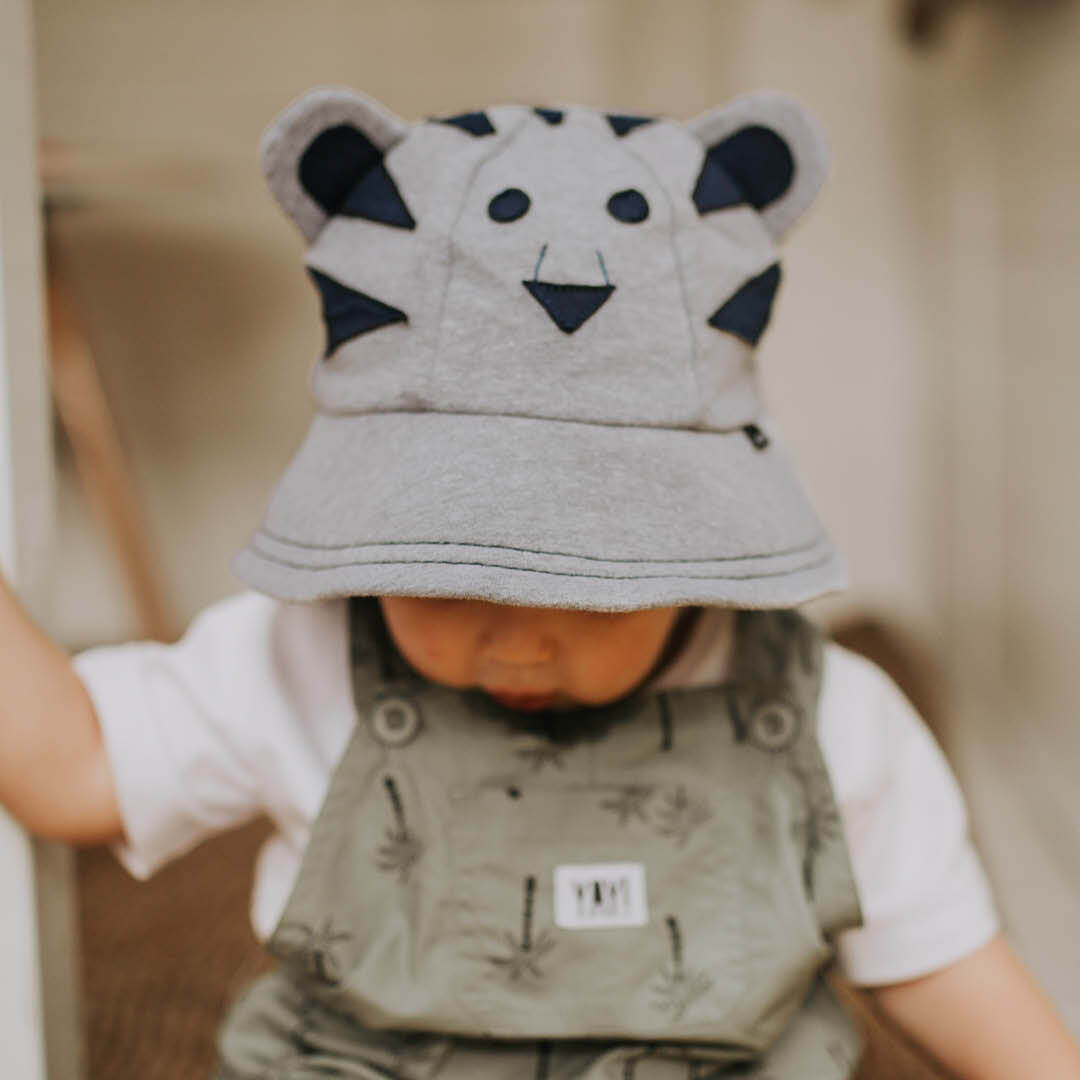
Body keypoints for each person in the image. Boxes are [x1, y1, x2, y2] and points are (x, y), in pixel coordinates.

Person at [2, 87, 1079, 1079]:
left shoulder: (831, 724)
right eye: (437, 572)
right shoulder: (296, 659)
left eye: (589, 586)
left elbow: (938, 964)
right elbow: (80, 770)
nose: (515, 643)